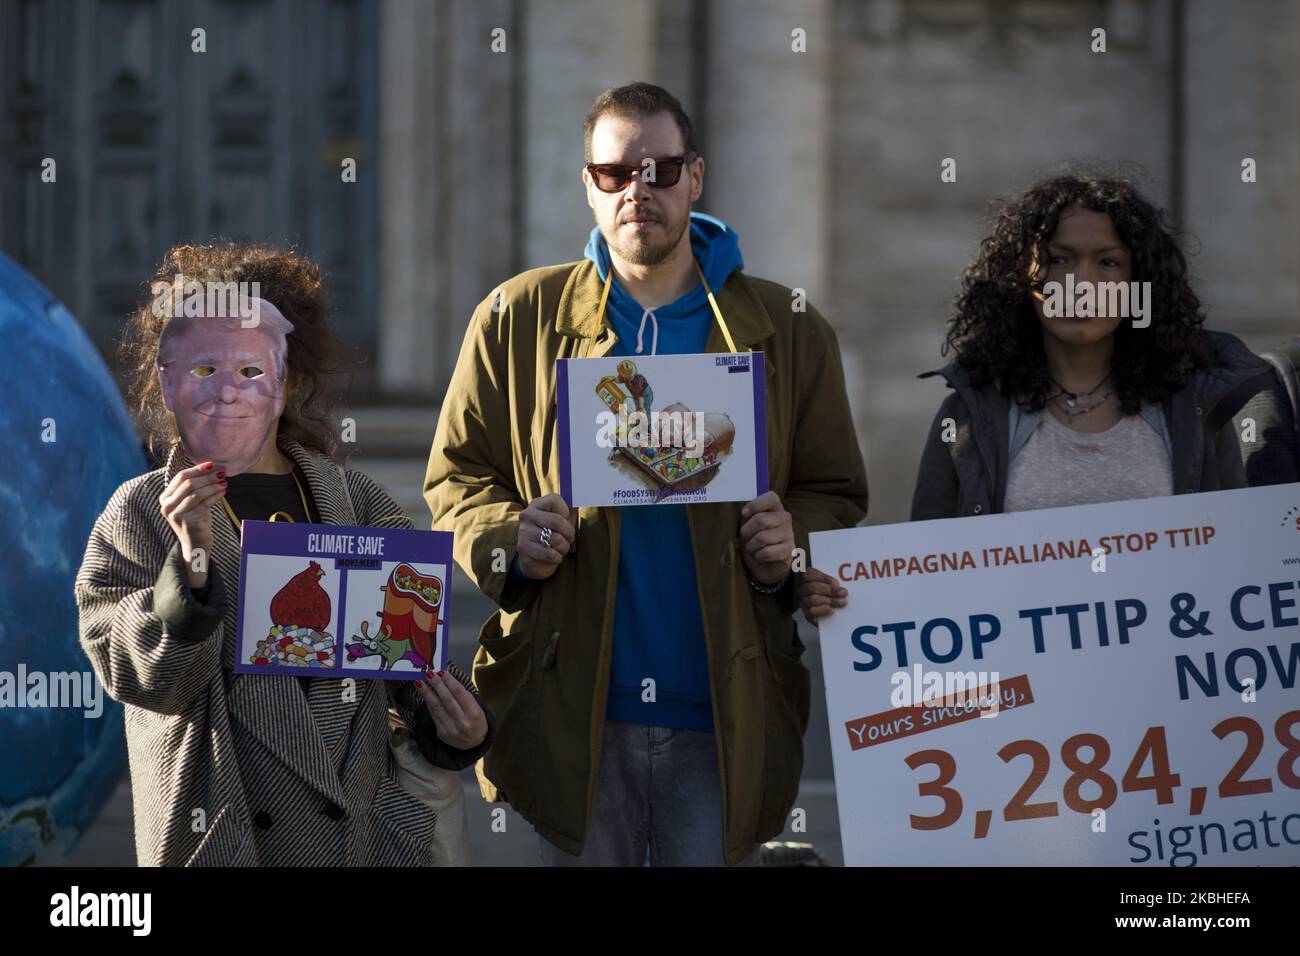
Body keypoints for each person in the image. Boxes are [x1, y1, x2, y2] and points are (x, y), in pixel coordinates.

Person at [425, 82, 868, 866]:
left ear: (696, 179)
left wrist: (790, 542)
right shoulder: (514, 315)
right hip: (570, 715)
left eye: (662, 170)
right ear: (587, 186)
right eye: (615, 173)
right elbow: (458, 480)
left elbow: (834, 493)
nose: (640, 190)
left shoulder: (789, 328)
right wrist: (510, 539)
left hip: (725, 716)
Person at [75, 241, 492, 865]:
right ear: (166, 384)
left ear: (287, 381)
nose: (228, 393)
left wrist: (456, 728)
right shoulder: (137, 513)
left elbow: (403, 658)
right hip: (226, 839)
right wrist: (191, 562)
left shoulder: (355, 501)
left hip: (361, 843)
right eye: (202, 369)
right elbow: (145, 682)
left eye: (250, 370)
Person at [800, 171, 1297, 623]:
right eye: (1060, 259)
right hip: (1022, 712)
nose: (1082, 285)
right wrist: (842, 597)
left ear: (1137, 284)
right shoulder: (968, 416)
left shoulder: (1194, 409)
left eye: (1108, 262)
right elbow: (923, 583)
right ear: (1024, 277)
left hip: (1169, 705)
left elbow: (1239, 568)